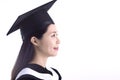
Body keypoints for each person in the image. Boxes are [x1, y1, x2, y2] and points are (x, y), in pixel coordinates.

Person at [7, 0, 62, 80]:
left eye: (57, 35)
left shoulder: (55, 74)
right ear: (35, 41)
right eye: (53, 35)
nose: (58, 41)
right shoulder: (27, 77)